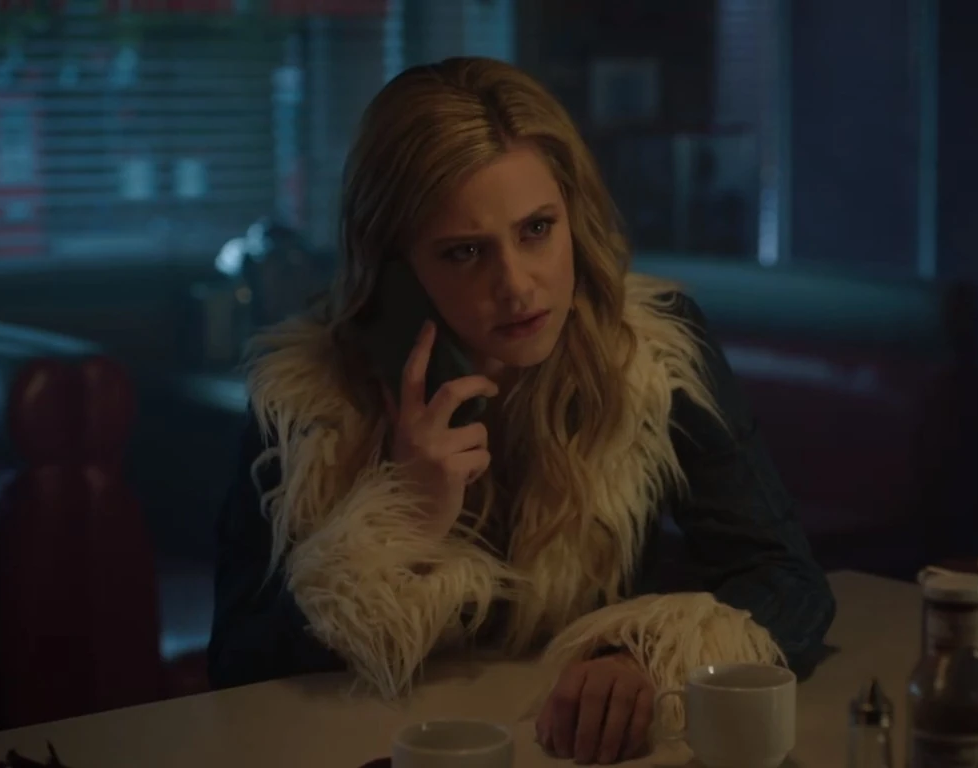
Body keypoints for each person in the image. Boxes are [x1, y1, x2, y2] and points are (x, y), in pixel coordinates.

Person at [207, 57, 835, 765]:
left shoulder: (650, 350)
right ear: (396, 267)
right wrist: (401, 518)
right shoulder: (308, 395)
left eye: (537, 229)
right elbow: (236, 662)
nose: (516, 286)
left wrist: (643, 655)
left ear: (573, 215)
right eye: (464, 252)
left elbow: (788, 582)